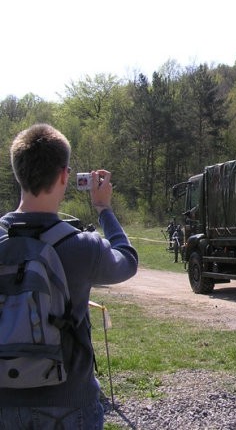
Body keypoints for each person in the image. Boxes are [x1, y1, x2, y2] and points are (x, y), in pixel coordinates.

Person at [0, 123, 138, 429]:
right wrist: (103, 208)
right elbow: (127, 261)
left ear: (17, 173)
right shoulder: (82, 247)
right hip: (70, 404)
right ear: (65, 176)